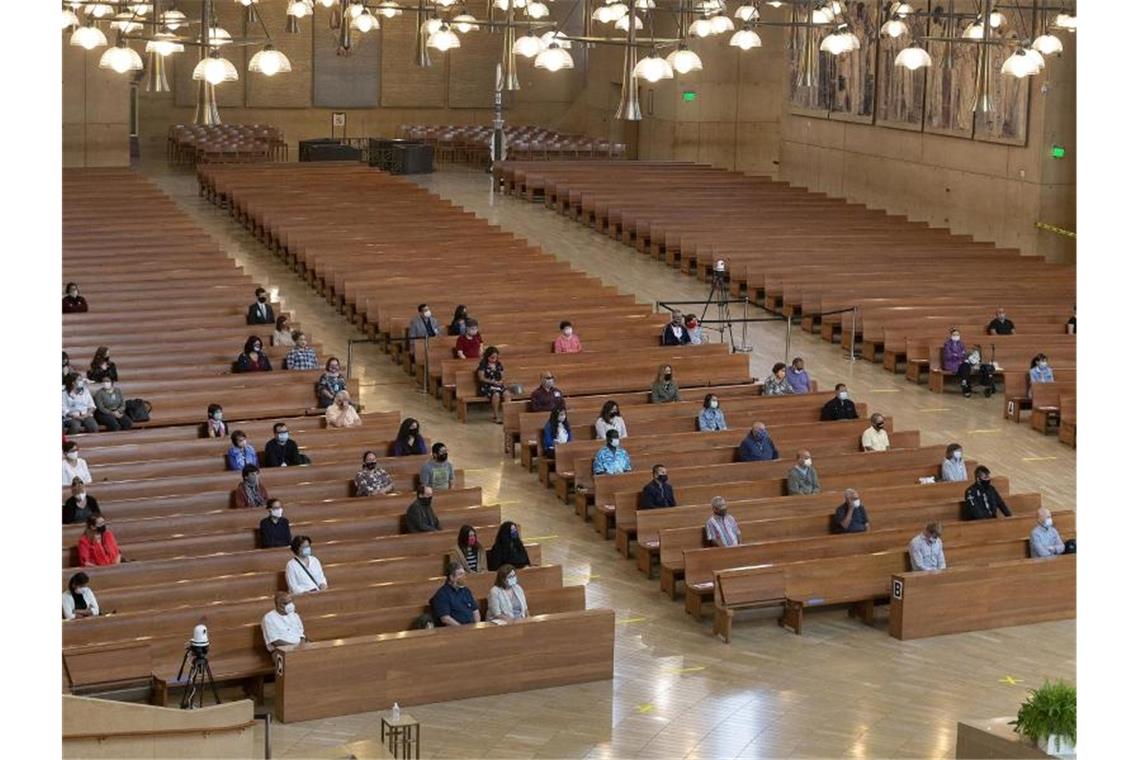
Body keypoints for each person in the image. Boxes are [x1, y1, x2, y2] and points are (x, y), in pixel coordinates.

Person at [941, 328, 989, 398]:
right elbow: (948, 356)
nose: (956, 336)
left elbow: (964, 355)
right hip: (951, 364)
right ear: (951, 335)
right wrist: (958, 355)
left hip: (961, 363)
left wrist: (956, 354)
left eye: (957, 334)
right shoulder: (947, 344)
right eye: (954, 334)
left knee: (966, 366)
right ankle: (966, 387)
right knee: (965, 368)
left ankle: (965, 384)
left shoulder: (961, 344)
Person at [476, 346, 508, 423]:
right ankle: (496, 416)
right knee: (496, 395)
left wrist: (501, 381)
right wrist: (492, 382)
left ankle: (507, 415)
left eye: (496, 357)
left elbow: (503, 376)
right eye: (492, 357)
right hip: (487, 386)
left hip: (498, 385)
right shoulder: (483, 365)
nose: (494, 359)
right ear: (488, 356)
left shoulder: (498, 364)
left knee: (507, 394)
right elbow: (481, 378)